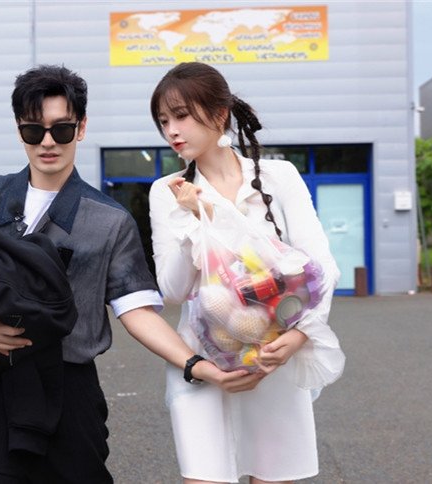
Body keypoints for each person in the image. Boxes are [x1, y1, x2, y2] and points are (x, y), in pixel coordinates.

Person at [0, 64, 258, 483]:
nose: (47, 142)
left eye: (62, 129)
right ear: (19, 131)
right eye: (33, 130)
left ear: (82, 128)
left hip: (68, 392)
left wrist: (198, 365)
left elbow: (137, 311)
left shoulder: (108, 220)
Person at [148, 62, 346, 483]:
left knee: (273, 475)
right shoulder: (167, 192)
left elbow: (322, 267)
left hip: (273, 352)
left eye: (181, 116)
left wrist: (299, 337)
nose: (171, 131)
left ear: (219, 114)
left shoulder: (278, 176)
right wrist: (193, 221)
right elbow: (172, 290)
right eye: (163, 121)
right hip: (205, 357)